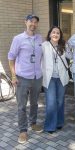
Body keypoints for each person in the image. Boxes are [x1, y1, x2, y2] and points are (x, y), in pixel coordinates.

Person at [8, 14, 43, 144]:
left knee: (34, 103)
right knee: (22, 106)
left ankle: (33, 123)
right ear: (25, 22)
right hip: (22, 78)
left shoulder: (40, 38)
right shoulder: (18, 39)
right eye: (31, 21)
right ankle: (23, 130)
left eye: (35, 22)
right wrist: (13, 75)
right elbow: (11, 58)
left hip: (37, 77)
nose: (33, 24)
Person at [41, 26, 69, 134]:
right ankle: (50, 126)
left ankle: (59, 123)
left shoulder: (63, 46)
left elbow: (70, 57)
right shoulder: (44, 45)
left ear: (60, 35)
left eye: (58, 33)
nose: (55, 34)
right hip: (50, 78)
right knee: (51, 102)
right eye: (53, 32)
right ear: (49, 34)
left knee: (60, 101)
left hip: (61, 77)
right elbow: (39, 59)